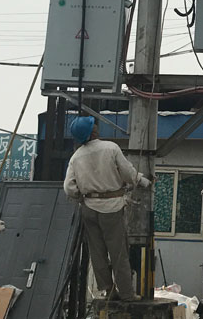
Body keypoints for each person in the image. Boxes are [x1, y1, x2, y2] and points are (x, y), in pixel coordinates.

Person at [63, 116, 151, 302]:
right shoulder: (111, 148)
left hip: (88, 208)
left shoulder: (76, 157)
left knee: (97, 252)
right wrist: (142, 180)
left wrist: (82, 196)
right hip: (111, 207)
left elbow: (68, 187)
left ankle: (108, 290)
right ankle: (127, 293)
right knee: (118, 251)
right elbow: (128, 173)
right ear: (93, 131)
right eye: (94, 125)